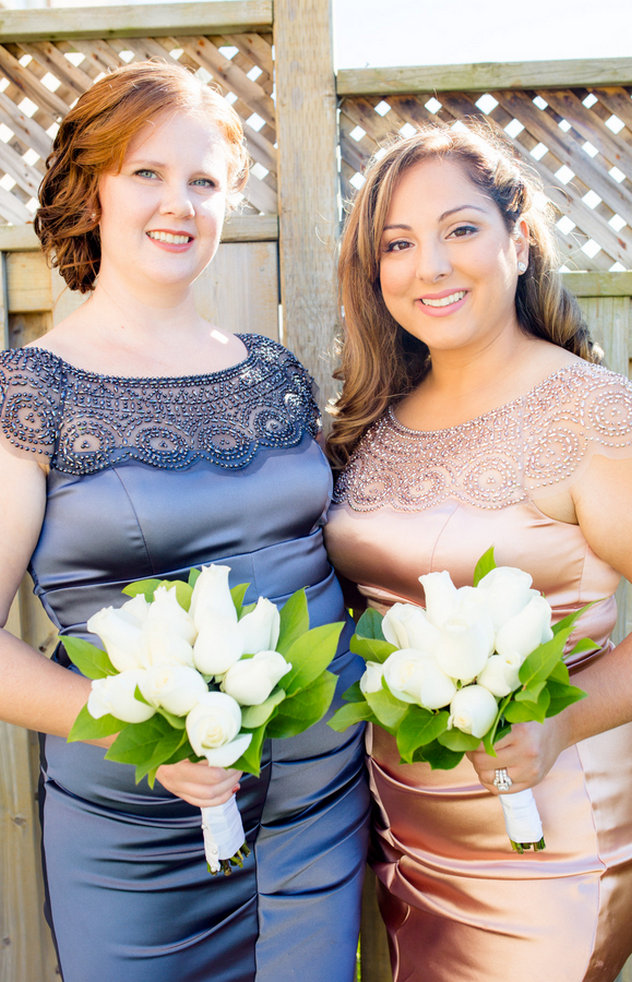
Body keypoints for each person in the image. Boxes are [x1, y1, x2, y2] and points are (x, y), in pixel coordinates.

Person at [0, 60, 368, 982]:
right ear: (90, 193)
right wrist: (136, 732)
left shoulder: (272, 373)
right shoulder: (31, 393)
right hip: (141, 831)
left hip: (318, 805)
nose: (180, 203)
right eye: (147, 174)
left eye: (203, 180)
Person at [324, 120, 632, 982]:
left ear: (519, 241)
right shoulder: (372, 419)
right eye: (397, 244)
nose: (429, 266)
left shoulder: (595, 417)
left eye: (460, 229)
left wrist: (560, 720)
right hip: (406, 832)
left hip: (547, 832)